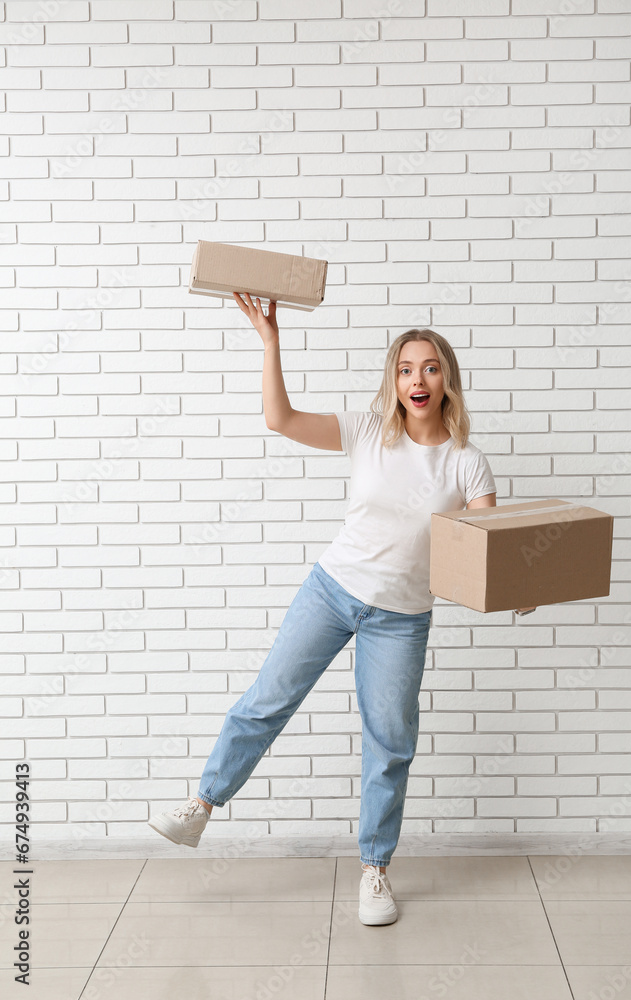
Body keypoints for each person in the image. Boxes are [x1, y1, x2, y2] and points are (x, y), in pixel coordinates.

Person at [148, 292, 537, 925]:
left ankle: (375, 870)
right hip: (331, 591)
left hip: (402, 618)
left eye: (431, 367)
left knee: (389, 743)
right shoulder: (365, 431)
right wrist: (270, 341)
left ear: (448, 382)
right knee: (267, 700)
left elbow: (487, 551)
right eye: (407, 368)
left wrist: (526, 584)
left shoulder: (468, 463)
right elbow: (281, 419)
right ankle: (202, 804)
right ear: (394, 379)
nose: (418, 379)